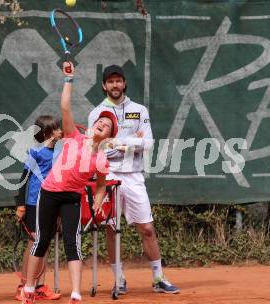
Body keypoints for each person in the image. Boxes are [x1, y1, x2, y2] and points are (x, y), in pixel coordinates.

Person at [20, 61, 118, 304]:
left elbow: (101, 184)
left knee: (72, 244)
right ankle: (29, 288)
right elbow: (65, 106)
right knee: (41, 240)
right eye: (100, 122)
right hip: (49, 193)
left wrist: (97, 200)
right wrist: (69, 80)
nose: (102, 124)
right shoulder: (73, 136)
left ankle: (75, 293)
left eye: (106, 126)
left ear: (108, 136)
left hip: (72, 197)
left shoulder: (101, 158)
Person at [88, 65, 180, 294]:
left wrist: (118, 142)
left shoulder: (139, 110)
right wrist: (131, 142)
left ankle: (158, 278)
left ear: (124, 83)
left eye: (118, 81)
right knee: (111, 227)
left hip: (134, 176)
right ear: (104, 86)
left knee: (147, 228)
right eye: (110, 81)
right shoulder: (96, 113)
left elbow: (148, 143)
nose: (115, 85)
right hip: (107, 174)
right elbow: (95, 147)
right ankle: (119, 279)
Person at [14, 115, 63, 301]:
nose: (60, 132)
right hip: (34, 203)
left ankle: (39, 286)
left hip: (52, 203)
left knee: (45, 244)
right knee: (34, 243)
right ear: (46, 133)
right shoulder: (35, 152)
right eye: (56, 129)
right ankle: (23, 285)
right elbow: (23, 179)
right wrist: (20, 205)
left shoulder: (59, 153)